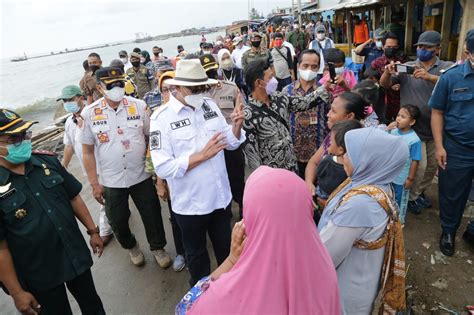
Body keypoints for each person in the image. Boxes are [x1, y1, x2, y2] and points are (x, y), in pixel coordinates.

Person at [176, 166, 341, 315]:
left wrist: (231, 260)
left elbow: (185, 307)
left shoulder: (225, 297)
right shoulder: (326, 273)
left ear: (249, 220)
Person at [149, 59, 246, 286]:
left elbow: (229, 143)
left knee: (226, 252)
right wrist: (202, 156)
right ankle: (200, 303)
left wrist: (236, 125)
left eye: (203, 87)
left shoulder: (208, 105)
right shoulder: (161, 119)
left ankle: (228, 294)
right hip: (190, 206)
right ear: (178, 88)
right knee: (197, 257)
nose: (201, 92)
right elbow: (162, 166)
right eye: (195, 88)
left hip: (219, 200)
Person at [0, 109, 105, 314]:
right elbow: (1, 248)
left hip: (72, 253)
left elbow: (73, 197)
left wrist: (93, 231)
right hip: (38, 273)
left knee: (93, 306)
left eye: (25, 134)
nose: (22, 141)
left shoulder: (47, 161)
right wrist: (17, 293)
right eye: (14, 138)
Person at [81, 67, 171, 268]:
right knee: (118, 221)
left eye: (120, 84)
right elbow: (87, 152)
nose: (117, 89)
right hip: (111, 180)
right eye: (111, 86)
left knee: (152, 215)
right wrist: (94, 183)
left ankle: (158, 248)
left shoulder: (139, 106)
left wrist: (156, 173)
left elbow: (151, 140)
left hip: (141, 175)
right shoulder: (90, 114)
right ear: (100, 87)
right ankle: (132, 246)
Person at [319, 127, 408, 314]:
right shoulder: (379, 183)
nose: (343, 158)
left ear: (369, 161)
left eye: (350, 154)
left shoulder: (359, 205)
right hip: (364, 279)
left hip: (344, 291)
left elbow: (325, 256)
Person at [380, 30, 453, 214]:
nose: (422, 50)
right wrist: (388, 73)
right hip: (412, 129)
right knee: (418, 167)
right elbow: (384, 85)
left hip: (436, 129)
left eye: (427, 47)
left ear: (437, 49)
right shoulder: (407, 67)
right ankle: (410, 198)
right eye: (420, 46)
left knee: (431, 167)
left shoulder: (447, 68)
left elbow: (453, 82)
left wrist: (430, 78)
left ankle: (418, 193)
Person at [429, 28, 474, 255]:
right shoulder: (450, 77)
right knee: (452, 193)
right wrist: (439, 146)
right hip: (457, 148)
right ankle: (448, 230)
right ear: (469, 53)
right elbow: (437, 112)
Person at [243, 59, 331, 173]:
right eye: (270, 77)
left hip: (292, 167)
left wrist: (325, 87)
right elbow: (252, 157)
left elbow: (305, 102)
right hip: (272, 175)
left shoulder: (280, 98)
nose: (274, 80)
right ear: (259, 83)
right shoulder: (248, 115)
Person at [59, 85, 114, 245]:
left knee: (103, 197)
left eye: (71, 99)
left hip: (104, 165)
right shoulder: (69, 122)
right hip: (88, 169)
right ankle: (117, 216)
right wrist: (63, 166)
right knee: (106, 197)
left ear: (80, 97)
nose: (68, 103)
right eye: (65, 100)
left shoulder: (93, 114)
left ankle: (105, 230)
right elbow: (69, 145)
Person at [144, 71, 186, 272]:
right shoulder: (157, 118)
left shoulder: (190, 110)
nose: (169, 93)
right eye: (165, 90)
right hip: (171, 179)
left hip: (192, 177)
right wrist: (160, 183)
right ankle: (181, 252)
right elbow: (154, 155)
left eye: (173, 88)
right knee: (176, 217)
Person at [200, 54, 247, 219]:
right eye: (207, 72)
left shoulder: (231, 87)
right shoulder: (197, 95)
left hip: (231, 142)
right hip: (211, 147)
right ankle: (223, 213)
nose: (211, 75)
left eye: (213, 70)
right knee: (217, 181)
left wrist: (239, 122)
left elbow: (244, 109)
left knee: (237, 179)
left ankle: (243, 210)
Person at [305, 92, 368, 194]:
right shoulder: (334, 135)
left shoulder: (359, 145)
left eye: (333, 111)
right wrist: (309, 183)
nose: (328, 114)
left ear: (349, 116)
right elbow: (313, 162)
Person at [282, 49, 329, 178]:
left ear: (318, 68)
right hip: (293, 155)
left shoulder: (324, 91)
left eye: (314, 66)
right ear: (298, 66)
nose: (309, 69)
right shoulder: (287, 91)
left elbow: (330, 119)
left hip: (318, 154)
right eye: (306, 66)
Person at [388, 105, 422, 224]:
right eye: (398, 115)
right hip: (389, 173)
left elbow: (415, 160)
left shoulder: (414, 139)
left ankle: (399, 222)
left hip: (402, 177)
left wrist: (410, 178)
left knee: (400, 199)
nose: (398, 119)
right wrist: (387, 130)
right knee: (389, 196)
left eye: (403, 117)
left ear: (412, 121)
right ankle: (389, 218)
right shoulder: (392, 131)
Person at [315, 120, 363, 205]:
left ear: (340, 150)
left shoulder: (327, 161)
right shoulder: (358, 168)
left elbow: (319, 173)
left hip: (322, 198)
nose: (329, 144)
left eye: (331, 142)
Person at [371, 32, 405, 121]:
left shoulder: (403, 62)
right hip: (382, 104)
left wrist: (401, 86)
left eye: (394, 47)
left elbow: (408, 80)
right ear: (383, 47)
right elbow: (372, 84)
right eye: (389, 47)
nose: (391, 49)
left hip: (400, 104)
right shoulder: (376, 64)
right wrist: (388, 86)